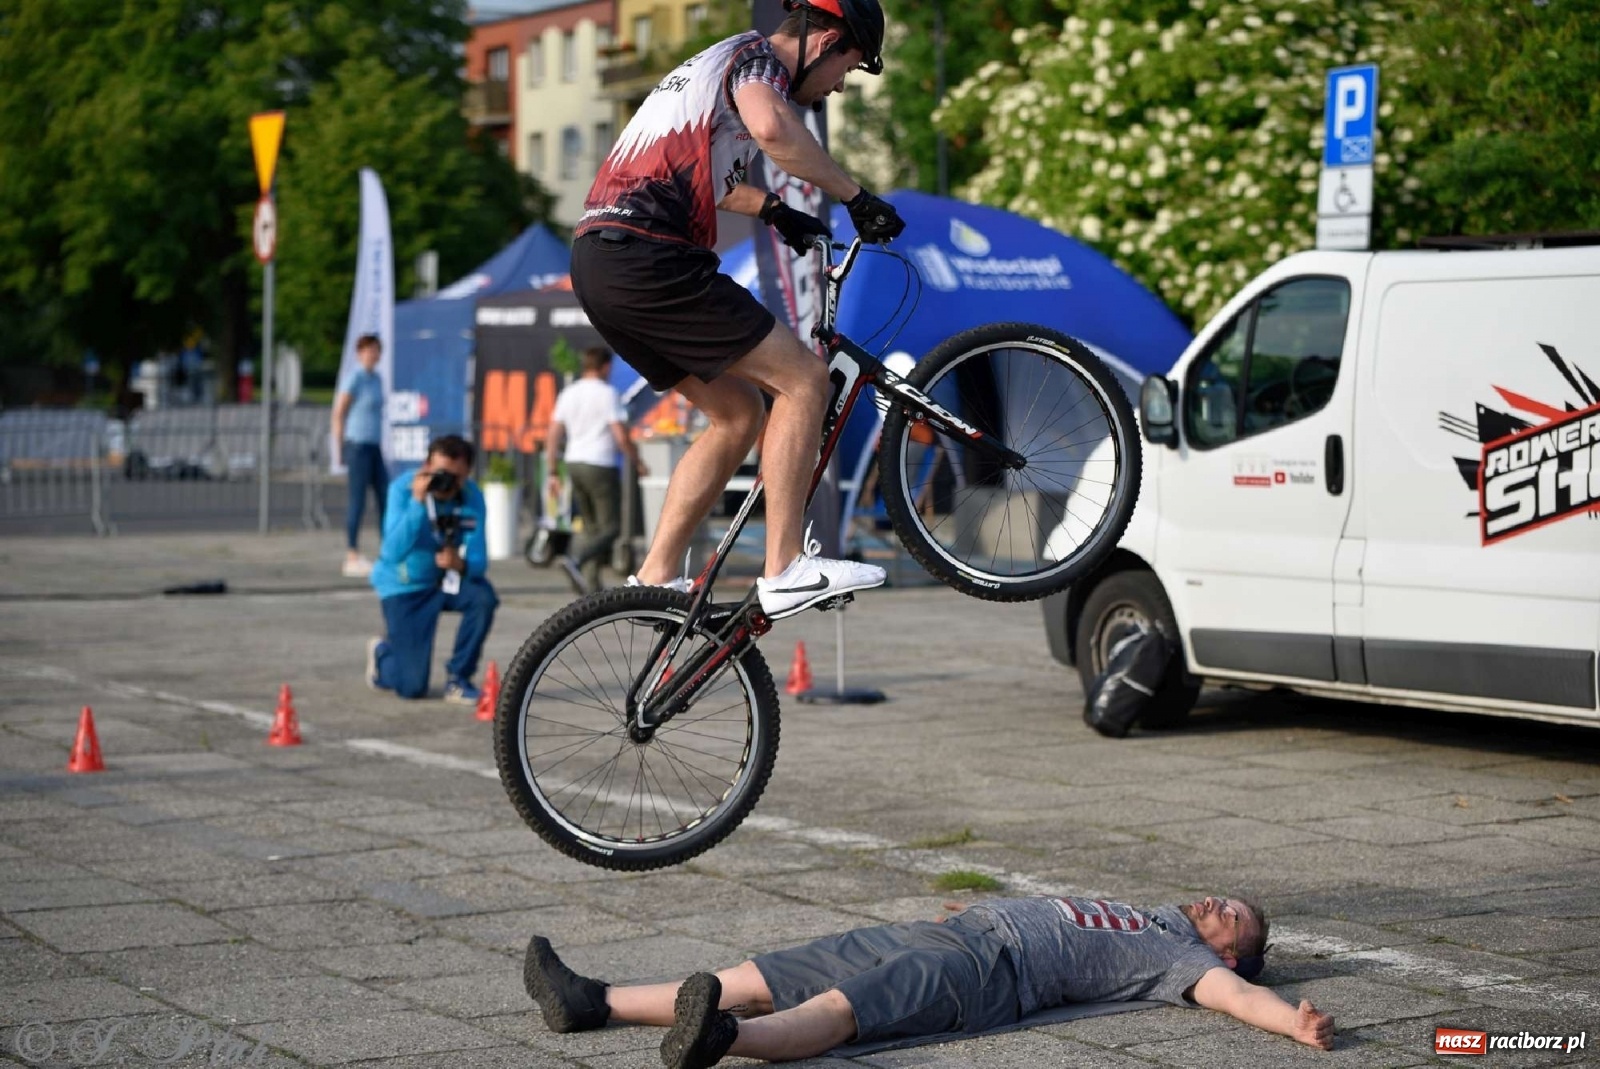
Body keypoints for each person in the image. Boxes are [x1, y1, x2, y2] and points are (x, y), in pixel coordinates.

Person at [569, 0, 905, 620]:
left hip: (599, 259)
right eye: (846, 70)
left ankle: (657, 576)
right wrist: (855, 197)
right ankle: (784, 569)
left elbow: (712, 177)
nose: (834, 90)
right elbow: (775, 130)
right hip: (650, 256)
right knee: (804, 380)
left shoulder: (715, 65)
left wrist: (774, 211)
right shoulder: (757, 61)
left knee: (736, 412)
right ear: (824, 41)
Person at [523, 894, 1335, 1068]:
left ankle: (727, 1037)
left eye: (1231, 915)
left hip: (991, 971)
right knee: (784, 967)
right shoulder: (1156, 915)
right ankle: (594, 1000)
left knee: (854, 1007)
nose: (1214, 903)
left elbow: (1241, 999)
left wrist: (1291, 1022)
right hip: (962, 930)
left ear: (1231, 951)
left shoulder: (1188, 964)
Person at [365, 435, 498, 705]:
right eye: (441, 474)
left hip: (444, 580)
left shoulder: (472, 496)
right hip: (405, 586)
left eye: (455, 477)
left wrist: (460, 564)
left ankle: (458, 678)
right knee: (412, 687)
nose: (446, 483)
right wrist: (417, 502)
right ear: (426, 466)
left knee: (483, 597)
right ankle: (383, 655)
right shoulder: (403, 490)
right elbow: (391, 552)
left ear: (466, 475)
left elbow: (480, 561)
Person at [545, 347, 647, 594]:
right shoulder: (607, 394)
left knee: (591, 527)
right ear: (605, 366)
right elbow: (620, 435)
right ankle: (576, 558)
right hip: (600, 464)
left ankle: (589, 585)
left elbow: (553, 433)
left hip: (573, 462)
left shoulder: (569, 393)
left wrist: (552, 470)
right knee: (611, 527)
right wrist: (637, 461)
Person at [332, 333, 388, 578]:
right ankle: (352, 552)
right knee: (358, 500)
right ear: (359, 353)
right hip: (357, 445)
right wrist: (340, 446)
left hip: (374, 445)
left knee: (385, 497)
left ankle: (388, 550)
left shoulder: (377, 379)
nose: (372, 355)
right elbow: (339, 413)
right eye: (367, 351)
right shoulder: (354, 379)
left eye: (375, 350)